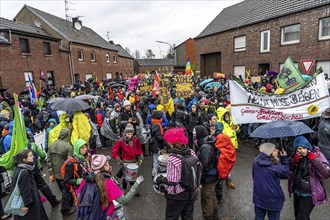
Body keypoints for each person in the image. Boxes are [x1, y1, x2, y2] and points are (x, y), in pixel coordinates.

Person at [76, 154, 144, 219]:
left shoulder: (85, 180)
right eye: (107, 163)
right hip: (104, 216)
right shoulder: (108, 183)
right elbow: (125, 201)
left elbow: (79, 196)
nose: (109, 164)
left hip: (87, 215)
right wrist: (137, 183)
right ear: (105, 167)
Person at [156, 127, 199, 220]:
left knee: (172, 218)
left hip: (176, 196)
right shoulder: (191, 151)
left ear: (171, 142)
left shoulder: (173, 159)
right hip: (191, 191)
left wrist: (159, 179)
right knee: (188, 217)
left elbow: (173, 181)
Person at [288, 136, 330, 220]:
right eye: (299, 148)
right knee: (297, 214)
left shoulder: (317, 154)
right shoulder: (296, 154)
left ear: (308, 146)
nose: (302, 151)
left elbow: (326, 173)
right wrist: (295, 161)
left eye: (304, 147)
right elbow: (290, 170)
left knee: (302, 216)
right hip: (298, 190)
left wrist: (314, 159)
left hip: (310, 192)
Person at [253, 143, 289, 220]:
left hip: (259, 198)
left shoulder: (256, 161)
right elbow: (286, 173)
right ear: (269, 153)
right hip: (273, 201)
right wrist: (284, 158)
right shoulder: (275, 167)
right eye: (274, 150)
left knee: (258, 217)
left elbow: (254, 176)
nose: (277, 151)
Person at [12, 149, 48, 219]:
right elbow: (25, 190)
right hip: (31, 204)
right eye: (30, 156)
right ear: (24, 159)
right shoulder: (24, 171)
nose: (33, 157)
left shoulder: (18, 168)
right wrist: (27, 204)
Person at [111, 123, 143, 195]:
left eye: (131, 134)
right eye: (128, 134)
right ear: (125, 133)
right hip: (125, 162)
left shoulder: (135, 139)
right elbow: (114, 152)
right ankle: (124, 191)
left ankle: (133, 191)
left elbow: (139, 148)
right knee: (126, 178)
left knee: (134, 178)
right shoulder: (121, 141)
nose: (129, 135)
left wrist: (141, 157)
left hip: (134, 161)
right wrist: (119, 161)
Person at [62, 139, 90, 217]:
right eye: (82, 147)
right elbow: (67, 180)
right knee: (82, 206)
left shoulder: (85, 158)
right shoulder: (71, 163)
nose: (85, 149)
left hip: (86, 185)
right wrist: (79, 181)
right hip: (78, 188)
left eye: (85, 147)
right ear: (77, 148)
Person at [47, 128, 73, 214]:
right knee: (66, 191)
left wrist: (51, 173)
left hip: (56, 173)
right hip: (65, 173)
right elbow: (70, 162)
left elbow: (48, 161)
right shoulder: (68, 147)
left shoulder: (51, 145)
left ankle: (69, 202)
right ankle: (65, 209)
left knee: (63, 190)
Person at [197, 134, 219, 220]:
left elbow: (204, 164)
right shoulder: (210, 145)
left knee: (207, 198)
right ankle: (215, 216)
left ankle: (208, 217)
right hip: (212, 175)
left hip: (208, 178)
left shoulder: (205, 147)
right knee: (212, 196)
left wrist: (202, 178)